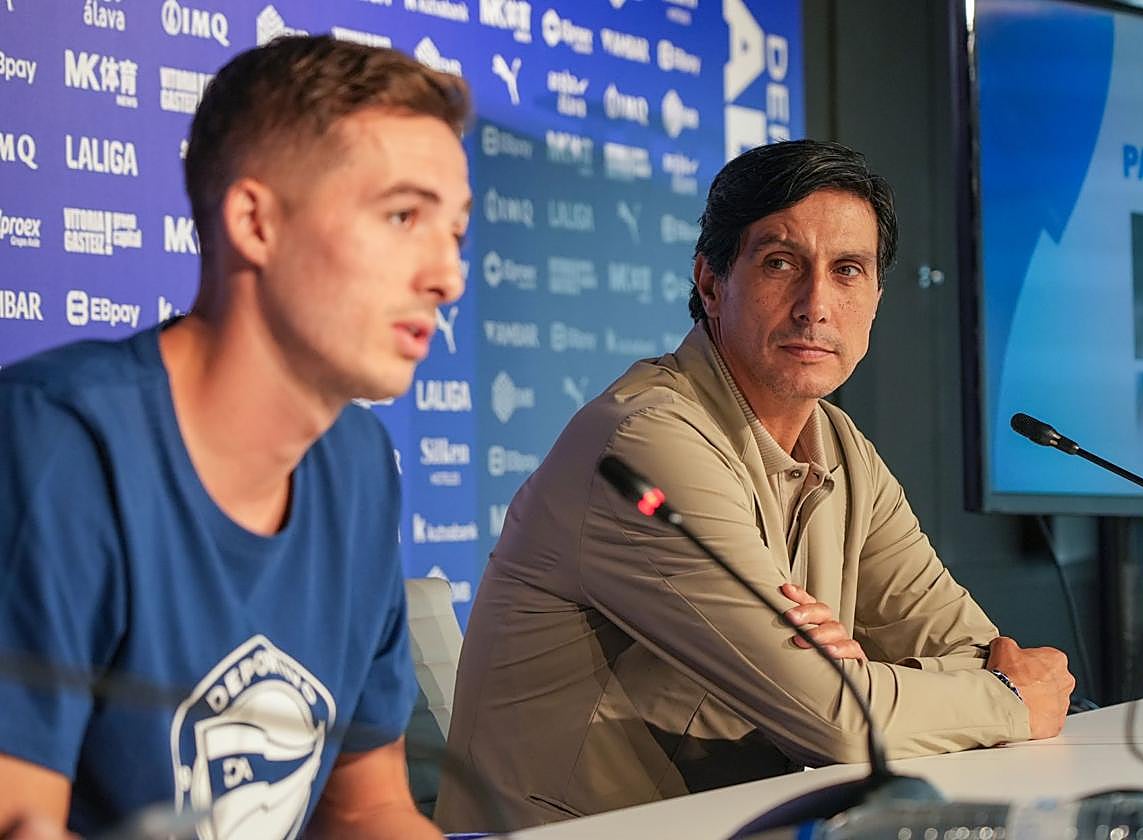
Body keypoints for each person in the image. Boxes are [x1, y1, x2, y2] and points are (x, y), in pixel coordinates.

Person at [435, 139, 1075, 831]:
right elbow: (833, 720)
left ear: (876, 299)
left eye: (848, 271)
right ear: (711, 283)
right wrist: (1004, 700)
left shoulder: (841, 446)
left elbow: (972, 646)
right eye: (780, 263)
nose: (815, 305)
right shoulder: (646, 440)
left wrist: (876, 683)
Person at [0, 35, 471, 839]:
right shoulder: (53, 445)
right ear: (255, 221)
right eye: (402, 217)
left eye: (455, 231)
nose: (448, 276)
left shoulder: (360, 468)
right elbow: (20, 822)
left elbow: (369, 808)